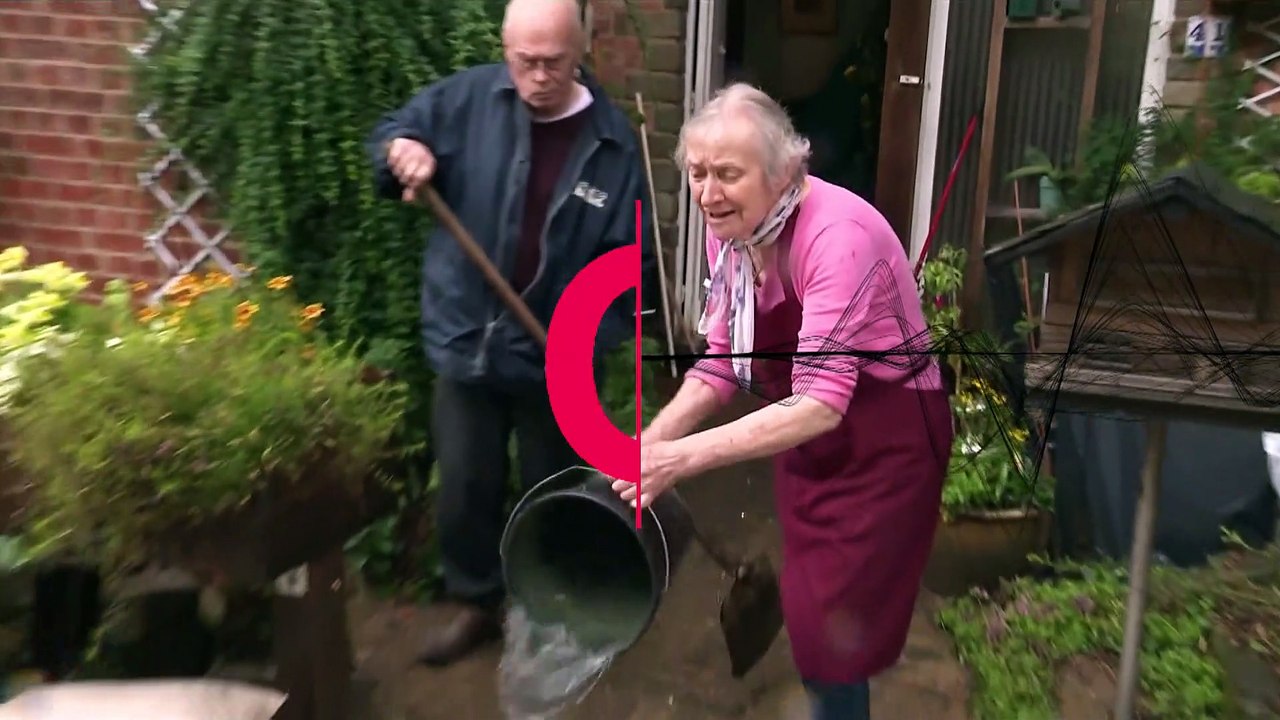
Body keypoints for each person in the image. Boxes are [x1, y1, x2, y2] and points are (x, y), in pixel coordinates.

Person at [612, 83, 954, 720]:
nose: (708, 194)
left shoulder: (836, 238)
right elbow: (723, 361)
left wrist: (679, 460)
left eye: (728, 174)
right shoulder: (731, 234)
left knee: (836, 630)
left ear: (784, 172)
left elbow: (821, 402)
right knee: (810, 603)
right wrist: (649, 444)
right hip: (810, 437)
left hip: (888, 443)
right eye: (697, 173)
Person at [367, 0, 655, 666]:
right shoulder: (467, 102)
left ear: (579, 53)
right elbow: (393, 135)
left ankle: (544, 611)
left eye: (553, 61)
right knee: (464, 489)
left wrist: (586, 341)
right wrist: (403, 151)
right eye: (525, 61)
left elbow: (627, 266)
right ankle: (477, 603)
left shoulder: (611, 144)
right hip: (468, 341)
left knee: (550, 492)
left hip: (557, 357)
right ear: (506, 52)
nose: (539, 76)